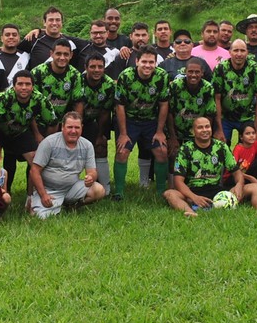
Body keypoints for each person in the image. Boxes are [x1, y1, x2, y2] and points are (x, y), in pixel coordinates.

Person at [164, 117, 257, 216]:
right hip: (193, 191)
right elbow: (178, 182)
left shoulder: (221, 147)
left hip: (218, 191)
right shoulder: (185, 149)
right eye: (200, 127)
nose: (205, 130)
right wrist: (194, 197)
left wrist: (239, 185)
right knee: (169, 194)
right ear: (193, 131)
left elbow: (236, 172)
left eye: (207, 127)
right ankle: (190, 213)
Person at [113, 47, 171, 199]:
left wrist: (160, 131)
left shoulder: (162, 76)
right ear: (137, 61)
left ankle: (161, 191)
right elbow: (120, 106)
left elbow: (164, 104)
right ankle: (119, 192)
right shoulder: (126, 76)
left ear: (156, 63)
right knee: (122, 152)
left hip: (151, 121)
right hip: (129, 120)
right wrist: (123, 134)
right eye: (144, 61)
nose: (147, 65)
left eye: (151, 62)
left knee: (162, 151)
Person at [0, 70, 52, 194]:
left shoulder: (39, 99)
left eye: (27, 84)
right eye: (20, 84)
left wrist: (42, 139)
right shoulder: (3, 98)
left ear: (33, 86)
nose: (24, 87)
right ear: (14, 86)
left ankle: (31, 195)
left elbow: (52, 121)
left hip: (20, 131)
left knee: (35, 159)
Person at [29, 112, 106, 219]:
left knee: (99, 190)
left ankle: (71, 205)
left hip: (72, 188)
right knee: (39, 217)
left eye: (77, 127)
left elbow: (92, 171)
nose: (73, 131)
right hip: (49, 189)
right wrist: (43, 195)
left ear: (82, 128)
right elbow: (34, 171)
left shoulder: (87, 145)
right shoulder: (49, 143)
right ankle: (38, 202)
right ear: (62, 127)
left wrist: (91, 177)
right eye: (70, 127)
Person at [212, 39, 257, 146]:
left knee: (251, 148)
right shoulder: (220, 69)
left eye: (242, 50)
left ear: (247, 52)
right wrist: (219, 128)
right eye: (236, 50)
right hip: (225, 117)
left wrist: (256, 127)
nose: (239, 54)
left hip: (247, 116)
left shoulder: (255, 69)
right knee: (221, 147)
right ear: (230, 52)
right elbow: (216, 99)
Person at [166, 57, 215, 166]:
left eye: (197, 72)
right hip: (177, 129)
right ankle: (174, 176)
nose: (193, 75)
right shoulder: (175, 86)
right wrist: (172, 137)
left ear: (202, 73)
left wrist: (204, 134)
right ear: (185, 71)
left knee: (198, 155)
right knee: (174, 154)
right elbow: (169, 112)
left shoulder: (208, 88)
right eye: (190, 71)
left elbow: (210, 114)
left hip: (197, 130)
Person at [30, 38, 85, 133]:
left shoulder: (75, 75)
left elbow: (78, 103)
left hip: (63, 124)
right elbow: (30, 105)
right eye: (58, 54)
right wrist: (37, 134)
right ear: (51, 54)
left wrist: (75, 127)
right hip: (39, 124)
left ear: (71, 55)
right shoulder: (37, 73)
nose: (62, 58)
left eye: (66, 54)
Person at [81, 53, 117, 195]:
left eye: (100, 67)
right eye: (93, 67)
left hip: (95, 121)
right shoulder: (78, 81)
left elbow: (105, 112)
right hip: (76, 121)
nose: (96, 70)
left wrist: (100, 135)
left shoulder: (109, 84)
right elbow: (76, 107)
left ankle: (105, 188)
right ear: (86, 67)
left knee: (100, 147)